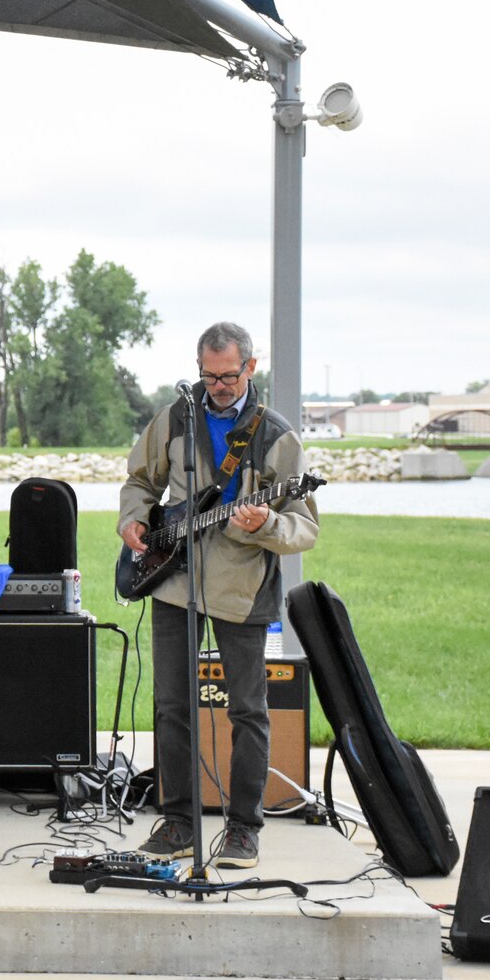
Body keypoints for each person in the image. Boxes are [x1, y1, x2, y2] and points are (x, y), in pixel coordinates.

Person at [119, 321, 318, 871]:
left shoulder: (276, 435)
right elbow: (140, 480)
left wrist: (263, 523)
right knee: (171, 706)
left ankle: (243, 830)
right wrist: (135, 521)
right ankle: (180, 821)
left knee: (248, 711)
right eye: (208, 376)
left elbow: (303, 527)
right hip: (173, 583)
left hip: (242, 589)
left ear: (250, 368)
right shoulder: (177, 415)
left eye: (228, 376)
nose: (218, 386)